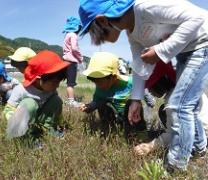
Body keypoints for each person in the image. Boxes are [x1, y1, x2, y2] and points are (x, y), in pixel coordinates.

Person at [78, 0, 208, 173]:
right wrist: (136, 100)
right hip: (186, 52)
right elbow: (139, 67)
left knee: (178, 106)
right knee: (185, 106)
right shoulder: (132, 35)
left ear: (102, 20)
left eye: (94, 33)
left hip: (202, 44)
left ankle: (176, 166)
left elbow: (198, 17)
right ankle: (199, 149)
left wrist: (162, 50)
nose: (98, 40)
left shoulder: (146, 7)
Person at [133, 61, 208, 157]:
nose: (150, 92)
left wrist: (149, 146)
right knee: (162, 110)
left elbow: (171, 134)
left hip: (201, 135)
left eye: (150, 87)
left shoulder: (173, 100)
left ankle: (197, 151)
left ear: (160, 83)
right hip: (203, 126)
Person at [4, 50, 70, 142]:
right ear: (38, 79)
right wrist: (16, 121)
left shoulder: (51, 90)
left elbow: (54, 109)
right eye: (54, 82)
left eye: (59, 82)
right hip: (24, 125)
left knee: (56, 100)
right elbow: (8, 110)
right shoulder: (21, 90)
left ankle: (47, 129)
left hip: (39, 120)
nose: (57, 86)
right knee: (30, 104)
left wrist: (58, 122)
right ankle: (28, 137)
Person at [80, 52, 147, 138]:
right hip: (113, 117)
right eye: (95, 81)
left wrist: (148, 102)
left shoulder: (130, 83)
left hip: (131, 116)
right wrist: (90, 107)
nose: (97, 85)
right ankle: (109, 129)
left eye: (100, 82)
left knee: (132, 103)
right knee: (103, 103)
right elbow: (96, 101)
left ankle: (137, 132)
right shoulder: (99, 88)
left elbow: (142, 89)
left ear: (114, 77)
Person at [62, 16, 83, 107]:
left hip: (65, 60)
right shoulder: (73, 35)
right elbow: (74, 48)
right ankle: (71, 101)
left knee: (67, 82)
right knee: (70, 83)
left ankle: (69, 100)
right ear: (77, 27)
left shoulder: (66, 35)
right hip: (71, 62)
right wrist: (80, 57)